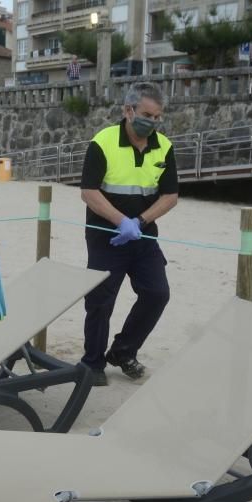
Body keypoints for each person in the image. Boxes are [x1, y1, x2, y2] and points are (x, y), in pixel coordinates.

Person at [79, 83, 179, 386]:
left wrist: (140, 221)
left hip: (144, 237)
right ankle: (92, 363)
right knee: (100, 300)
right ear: (128, 110)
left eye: (158, 116)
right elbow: (88, 192)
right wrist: (121, 221)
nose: (153, 121)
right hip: (105, 237)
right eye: (147, 114)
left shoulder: (163, 146)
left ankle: (123, 351)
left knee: (157, 294)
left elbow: (170, 196)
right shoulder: (103, 142)